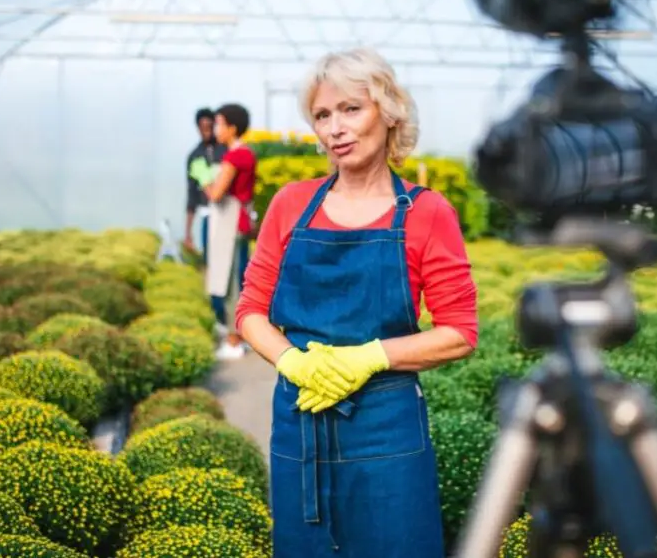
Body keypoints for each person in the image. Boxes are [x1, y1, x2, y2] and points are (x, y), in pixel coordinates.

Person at [235, 47, 478, 557]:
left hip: (386, 430)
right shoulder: (291, 204)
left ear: (388, 114)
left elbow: (459, 332)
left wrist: (368, 356)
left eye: (351, 109)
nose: (335, 128)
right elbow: (250, 309)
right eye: (323, 115)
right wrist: (293, 362)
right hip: (300, 422)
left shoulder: (426, 213)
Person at [203, 102, 258, 361]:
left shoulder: (234, 156)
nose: (216, 129)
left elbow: (216, 193)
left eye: (219, 124)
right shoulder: (246, 153)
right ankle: (237, 338)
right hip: (239, 220)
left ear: (232, 128)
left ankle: (234, 341)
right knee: (237, 276)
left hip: (230, 221)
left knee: (230, 279)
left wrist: (203, 179)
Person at [184, 107, 225, 254]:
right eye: (202, 128)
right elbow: (191, 194)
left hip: (226, 213)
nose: (206, 131)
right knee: (210, 257)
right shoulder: (195, 157)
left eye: (209, 127)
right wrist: (188, 232)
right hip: (208, 213)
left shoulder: (225, 151)